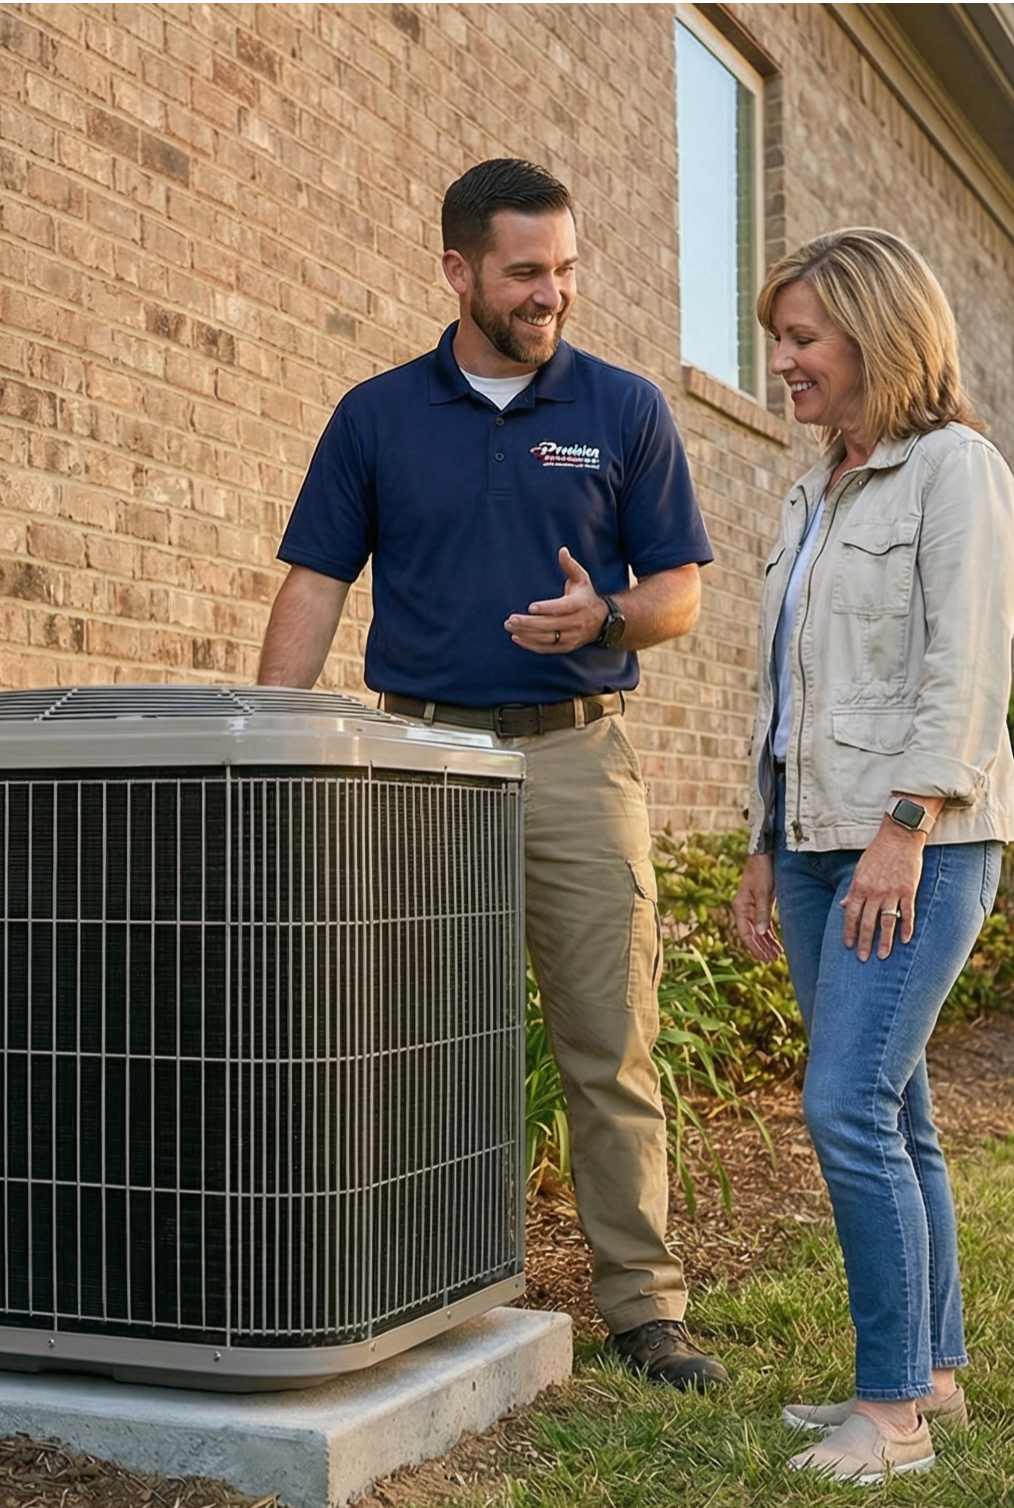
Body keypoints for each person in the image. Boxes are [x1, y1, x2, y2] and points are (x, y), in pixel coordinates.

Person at [255, 158, 725, 1389]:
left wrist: (608, 617)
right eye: (525, 271)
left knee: (608, 1041)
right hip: (420, 764)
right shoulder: (376, 415)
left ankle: (643, 1307)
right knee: (410, 1042)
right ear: (457, 270)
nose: (550, 293)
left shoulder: (623, 410)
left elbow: (679, 590)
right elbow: (313, 582)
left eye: (564, 268)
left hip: (576, 759)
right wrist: (262, 744)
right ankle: (425, 1283)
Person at [729, 227, 1014, 1481]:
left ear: (874, 334)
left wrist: (905, 828)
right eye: (776, 340)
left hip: (917, 839)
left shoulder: (955, 470)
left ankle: (890, 1415)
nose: (781, 363)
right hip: (808, 838)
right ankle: (934, 1376)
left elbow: (964, 667)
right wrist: (758, 840)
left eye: (802, 338)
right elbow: (785, 690)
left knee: (844, 1101)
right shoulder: (809, 493)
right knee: (894, 1108)